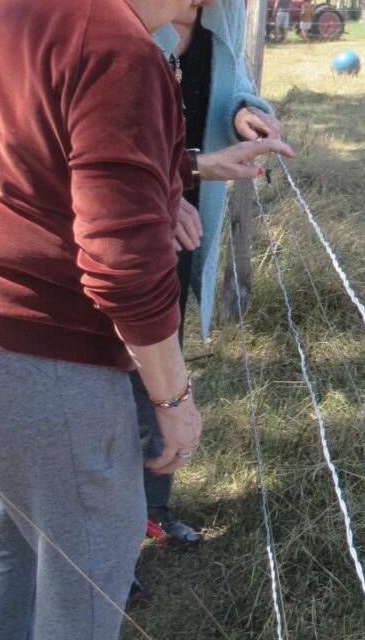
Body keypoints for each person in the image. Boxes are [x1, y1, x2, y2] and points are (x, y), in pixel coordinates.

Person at [0, 0, 294, 640]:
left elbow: (40, 145)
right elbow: (124, 269)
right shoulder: (119, 48)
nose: (192, 24)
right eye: (195, 9)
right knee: (95, 550)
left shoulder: (10, 8)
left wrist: (178, 174)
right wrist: (174, 401)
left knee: (11, 527)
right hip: (5, 345)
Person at [139, 1, 285, 555]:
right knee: (122, 376)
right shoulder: (128, 25)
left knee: (165, 360)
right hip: (132, 214)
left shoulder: (216, 27)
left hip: (186, 219)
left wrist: (246, 110)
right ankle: (111, 525)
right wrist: (160, 191)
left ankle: (154, 507)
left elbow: (235, 87)